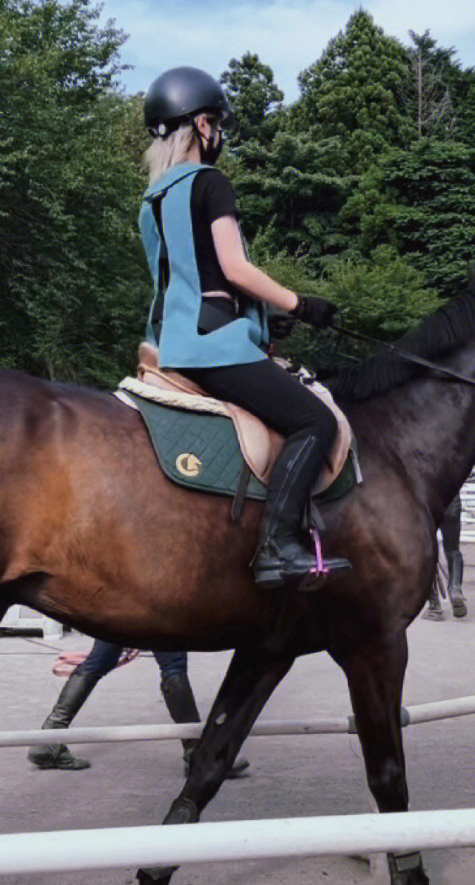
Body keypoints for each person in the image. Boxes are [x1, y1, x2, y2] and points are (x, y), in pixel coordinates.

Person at [139, 66, 347, 588]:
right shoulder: (210, 183)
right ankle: (278, 548)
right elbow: (233, 269)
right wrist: (300, 304)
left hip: (172, 344)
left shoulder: (153, 202)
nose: (220, 133)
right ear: (199, 126)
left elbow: (190, 277)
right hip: (214, 347)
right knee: (315, 422)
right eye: (215, 122)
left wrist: (263, 317)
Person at [27, 639, 249, 777]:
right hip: (153, 593)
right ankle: (198, 756)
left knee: (99, 660)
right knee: (173, 666)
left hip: (115, 593)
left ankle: (49, 739)